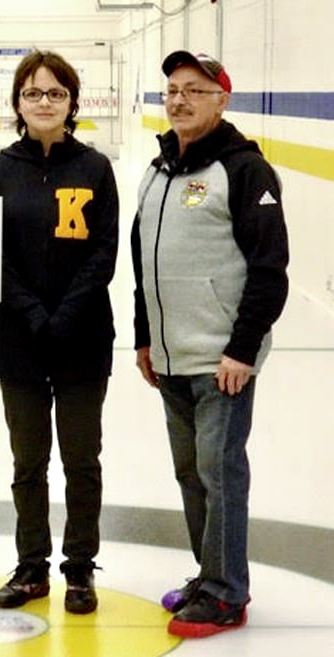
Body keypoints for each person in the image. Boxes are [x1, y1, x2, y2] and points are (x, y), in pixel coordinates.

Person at [132, 51, 289, 638]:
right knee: (192, 474)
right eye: (172, 89)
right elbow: (142, 259)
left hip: (221, 360)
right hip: (171, 357)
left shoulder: (245, 170)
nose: (179, 99)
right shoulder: (159, 169)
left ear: (222, 99)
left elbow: (270, 268)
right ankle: (210, 574)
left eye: (194, 90)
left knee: (220, 473)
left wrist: (242, 350)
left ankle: (226, 594)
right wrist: (147, 337)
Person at [0, 51, 118, 614]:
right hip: (19, 338)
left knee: (82, 460)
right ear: (17, 103)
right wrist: (34, 314)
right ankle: (32, 567)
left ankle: (79, 570)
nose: (43, 102)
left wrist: (65, 315)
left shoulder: (95, 167)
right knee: (28, 463)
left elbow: (104, 251)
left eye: (55, 93)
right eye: (33, 93)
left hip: (83, 337)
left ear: (72, 103)